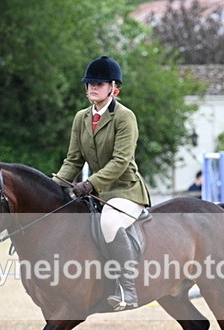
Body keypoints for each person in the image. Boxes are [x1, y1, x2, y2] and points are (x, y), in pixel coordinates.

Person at [53, 55, 151, 311]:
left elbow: (120, 161)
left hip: (126, 190)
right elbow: (73, 160)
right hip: (96, 192)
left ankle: (128, 290)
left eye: (99, 83)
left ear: (113, 87)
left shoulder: (124, 117)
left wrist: (90, 183)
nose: (93, 88)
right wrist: (55, 185)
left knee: (109, 222)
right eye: (90, 84)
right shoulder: (80, 118)